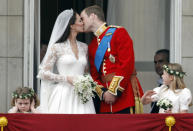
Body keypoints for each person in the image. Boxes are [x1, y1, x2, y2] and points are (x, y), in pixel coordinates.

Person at [80, 5, 141, 114]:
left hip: (124, 96)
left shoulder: (118, 32)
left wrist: (113, 91)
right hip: (105, 102)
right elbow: (94, 75)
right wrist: (103, 94)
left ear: (93, 16)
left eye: (82, 18)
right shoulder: (92, 45)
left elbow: (126, 64)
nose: (81, 22)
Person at [37, 9, 95, 114]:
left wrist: (87, 82)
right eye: (80, 20)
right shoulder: (56, 48)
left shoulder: (84, 47)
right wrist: (66, 78)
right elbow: (43, 73)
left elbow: (86, 72)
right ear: (71, 25)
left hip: (82, 95)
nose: (83, 23)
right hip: (63, 94)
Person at [151, 49, 169, 113]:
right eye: (155, 62)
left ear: (169, 63)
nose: (157, 65)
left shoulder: (173, 85)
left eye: (161, 61)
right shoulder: (159, 86)